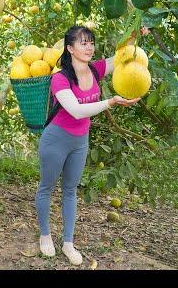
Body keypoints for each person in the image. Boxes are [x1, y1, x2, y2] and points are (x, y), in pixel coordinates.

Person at [35, 25, 149, 265]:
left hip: (80, 141)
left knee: (70, 190)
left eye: (91, 42)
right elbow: (76, 110)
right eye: (83, 43)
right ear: (70, 48)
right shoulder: (60, 78)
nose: (89, 47)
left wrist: (134, 35)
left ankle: (68, 242)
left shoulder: (96, 69)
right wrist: (111, 102)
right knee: (47, 187)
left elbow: (121, 57)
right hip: (56, 139)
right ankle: (45, 235)